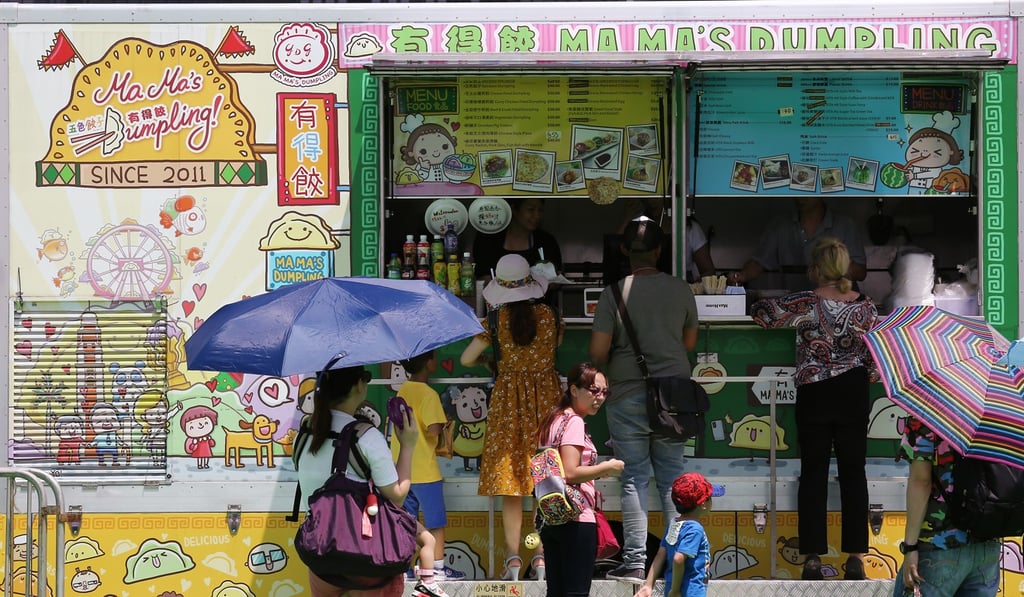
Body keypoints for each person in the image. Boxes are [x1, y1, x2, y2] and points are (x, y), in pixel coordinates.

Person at [750, 236, 878, 580]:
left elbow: (762, 314)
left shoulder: (805, 302)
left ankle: (810, 557)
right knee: (854, 472)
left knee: (814, 473)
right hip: (852, 391)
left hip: (815, 391)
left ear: (817, 268)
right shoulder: (866, 306)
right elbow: (875, 362)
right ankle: (855, 557)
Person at [588, 216, 699, 584]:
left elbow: (598, 352)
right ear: (659, 250)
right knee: (671, 479)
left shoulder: (613, 293)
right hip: (674, 397)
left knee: (634, 478)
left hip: (628, 394)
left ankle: (635, 561)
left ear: (624, 251)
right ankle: (678, 560)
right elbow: (688, 344)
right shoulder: (682, 289)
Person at [461, 254, 564, 581]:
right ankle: (542, 558)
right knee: (543, 480)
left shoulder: (492, 321)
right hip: (545, 401)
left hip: (508, 403)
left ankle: (514, 561)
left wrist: (494, 364)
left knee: (511, 484)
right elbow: (554, 346)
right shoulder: (550, 316)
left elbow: (466, 359)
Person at [295, 365, 419, 597]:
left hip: (323, 558)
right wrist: (408, 445)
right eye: (366, 377)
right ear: (358, 385)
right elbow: (398, 495)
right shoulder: (366, 435)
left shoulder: (305, 433)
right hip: (368, 558)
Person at [535, 362, 625, 597]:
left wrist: (595, 471)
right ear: (574, 390)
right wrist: (607, 466)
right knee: (576, 592)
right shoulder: (574, 421)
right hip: (576, 516)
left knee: (556, 591)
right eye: (594, 390)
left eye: (605, 392)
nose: (600, 397)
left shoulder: (553, 419)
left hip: (551, 517)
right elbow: (571, 472)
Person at [893, 417, 1000, 597]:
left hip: (938, 545)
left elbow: (921, 481)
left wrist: (910, 548)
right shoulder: (997, 417)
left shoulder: (927, 414)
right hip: (987, 545)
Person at [391, 350, 460, 583]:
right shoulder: (428, 394)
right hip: (426, 470)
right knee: (435, 521)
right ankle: (438, 567)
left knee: (408, 520)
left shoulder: (403, 390)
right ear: (429, 363)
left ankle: (407, 568)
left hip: (402, 470)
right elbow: (433, 429)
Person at [729, 197, 866, 291]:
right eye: (798, 190)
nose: (801, 197)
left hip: (840, 305)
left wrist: (831, 265)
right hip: (795, 307)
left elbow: (860, 272)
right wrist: (741, 276)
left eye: (808, 190)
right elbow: (759, 263)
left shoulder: (845, 225)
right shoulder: (780, 225)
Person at [637, 473, 724, 597]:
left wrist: (648, 585)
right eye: (710, 497)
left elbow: (661, 554)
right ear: (703, 504)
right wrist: (676, 590)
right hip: (691, 591)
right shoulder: (695, 529)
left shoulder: (674, 524)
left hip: (672, 589)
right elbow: (678, 559)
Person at [620, 197, 716, 281]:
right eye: (649, 197)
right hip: (642, 284)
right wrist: (627, 220)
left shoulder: (689, 227)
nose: (652, 201)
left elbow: (708, 271)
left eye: (658, 196)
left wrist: (694, 288)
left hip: (681, 286)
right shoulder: (640, 226)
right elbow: (617, 255)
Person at [473, 197, 562, 279]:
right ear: (514, 209)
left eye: (540, 210)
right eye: (531, 210)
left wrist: (552, 282)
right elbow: (483, 276)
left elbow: (557, 274)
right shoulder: (488, 240)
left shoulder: (546, 241)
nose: (537, 215)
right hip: (496, 296)